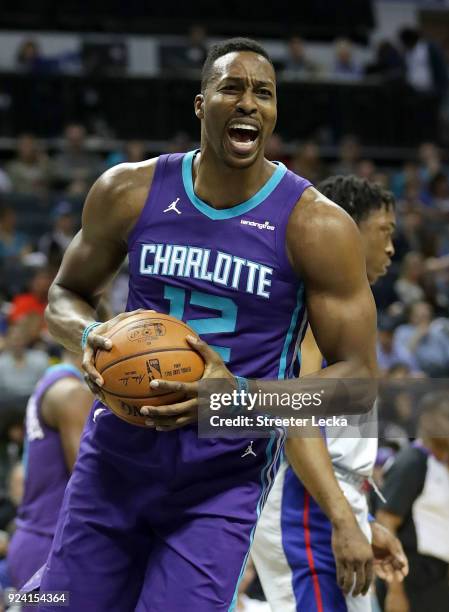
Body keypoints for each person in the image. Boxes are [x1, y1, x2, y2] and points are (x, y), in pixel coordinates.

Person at [38, 38, 378, 611]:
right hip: (115, 459)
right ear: (201, 105)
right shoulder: (129, 190)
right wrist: (91, 337)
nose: (249, 103)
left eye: (264, 93)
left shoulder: (315, 225)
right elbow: (65, 296)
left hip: (222, 477)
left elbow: (357, 383)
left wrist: (239, 401)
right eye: (232, 88)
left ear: (273, 113)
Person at [251, 176, 408, 612]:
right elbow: (294, 412)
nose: (392, 248)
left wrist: (363, 517)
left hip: (326, 497)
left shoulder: (349, 312)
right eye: (385, 231)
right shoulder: (316, 309)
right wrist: (342, 517)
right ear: (345, 229)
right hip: (306, 503)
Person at [7, 353, 92, 596]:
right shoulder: (72, 393)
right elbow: (89, 487)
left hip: (33, 540)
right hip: (52, 545)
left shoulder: (49, 380)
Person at [376, 391, 449, 612]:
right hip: (412, 581)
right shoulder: (412, 462)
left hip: (437, 581)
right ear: (427, 419)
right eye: (446, 416)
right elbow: (384, 525)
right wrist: (394, 592)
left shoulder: (437, 464)